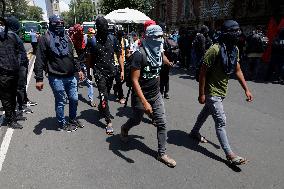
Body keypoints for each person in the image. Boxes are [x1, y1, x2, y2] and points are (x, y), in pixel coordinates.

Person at [189, 20, 253, 165]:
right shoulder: (215, 49)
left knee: (205, 112)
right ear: (226, 34)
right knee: (220, 121)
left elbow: (237, 70)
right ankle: (230, 154)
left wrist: (246, 90)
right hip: (212, 91)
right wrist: (201, 94)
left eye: (238, 31)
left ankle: (194, 132)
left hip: (222, 90)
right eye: (234, 32)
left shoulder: (234, 49)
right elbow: (203, 73)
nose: (237, 34)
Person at [120, 25, 176, 168]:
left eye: (161, 37)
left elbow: (161, 56)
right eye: (156, 37)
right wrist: (144, 103)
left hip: (155, 93)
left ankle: (161, 153)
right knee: (137, 120)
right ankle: (125, 128)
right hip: (141, 95)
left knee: (162, 122)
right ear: (148, 37)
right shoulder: (139, 54)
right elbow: (134, 80)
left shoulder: (158, 51)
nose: (159, 40)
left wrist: (168, 62)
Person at [34, 15, 84, 132]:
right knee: (60, 101)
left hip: (71, 76)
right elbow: (40, 60)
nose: (60, 25)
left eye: (62, 22)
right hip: (56, 78)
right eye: (57, 23)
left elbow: (73, 55)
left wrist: (79, 69)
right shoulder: (45, 38)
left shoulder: (67, 37)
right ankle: (62, 123)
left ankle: (72, 119)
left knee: (74, 99)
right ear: (51, 24)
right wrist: (39, 79)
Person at [89, 17, 123, 135]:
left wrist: (122, 70)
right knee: (103, 95)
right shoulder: (92, 41)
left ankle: (101, 107)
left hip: (111, 72)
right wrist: (89, 73)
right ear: (97, 28)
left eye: (105, 27)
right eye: (101, 27)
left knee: (106, 95)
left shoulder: (113, 38)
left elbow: (119, 54)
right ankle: (108, 121)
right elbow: (89, 59)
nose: (103, 29)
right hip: (99, 73)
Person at [0, 16, 26, 129]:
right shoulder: (11, 35)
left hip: (12, 71)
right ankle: (10, 120)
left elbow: (20, 52)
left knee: (11, 96)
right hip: (5, 73)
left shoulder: (12, 36)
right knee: (7, 97)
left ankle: (13, 116)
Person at [81, 27, 96, 107]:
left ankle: (91, 99)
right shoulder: (85, 39)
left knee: (89, 81)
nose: (92, 35)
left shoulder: (92, 40)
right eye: (91, 34)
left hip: (88, 62)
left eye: (93, 34)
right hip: (82, 62)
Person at [113, 30, 129, 104]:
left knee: (125, 78)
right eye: (120, 36)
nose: (121, 37)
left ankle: (116, 87)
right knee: (119, 80)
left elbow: (127, 52)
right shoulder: (113, 40)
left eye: (122, 36)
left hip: (124, 63)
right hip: (115, 63)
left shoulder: (125, 41)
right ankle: (121, 96)